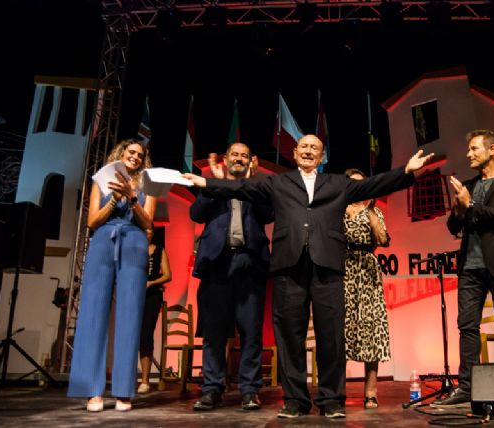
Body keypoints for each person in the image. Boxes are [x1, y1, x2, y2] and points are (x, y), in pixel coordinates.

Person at [183, 134, 433, 419]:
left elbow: (372, 184)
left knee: (331, 337)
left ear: (322, 156)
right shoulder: (279, 182)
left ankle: (331, 400)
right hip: (289, 265)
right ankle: (294, 401)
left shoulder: (338, 183)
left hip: (327, 264)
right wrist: (206, 183)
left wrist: (406, 172)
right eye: (304, 147)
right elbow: (241, 186)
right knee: (290, 335)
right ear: (294, 152)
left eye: (315, 148)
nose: (309, 151)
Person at [432, 130, 494, 408]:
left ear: (492, 150)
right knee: (467, 326)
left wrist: (470, 205)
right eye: (469, 149)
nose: (469, 154)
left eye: (474, 149)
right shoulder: (469, 185)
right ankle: (467, 387)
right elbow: (453, 227)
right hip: (470, 267)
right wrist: (460, 210)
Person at [67, 138, 156, 412]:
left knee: (130, 316)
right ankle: (93, 390)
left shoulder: (147, 184)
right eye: (131, 152)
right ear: (120, 154)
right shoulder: (100, 180)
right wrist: (113, 201)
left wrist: (130, 197)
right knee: (93, 312)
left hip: (134, 243)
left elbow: (148, 222)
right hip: (104, 240)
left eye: (140, 155)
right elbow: (92, 221)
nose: (135, 157)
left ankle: (123, 391)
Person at [190, 143, 274, 412]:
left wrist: (250, 184)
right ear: (226, 159)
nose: (239, 159)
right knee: (213, 332)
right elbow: (197, 213)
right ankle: (212, 389)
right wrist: (215, 184)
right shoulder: (212, 184)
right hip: (217, 264)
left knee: (251, 331)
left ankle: (249, 390)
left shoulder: (257, 187)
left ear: (251, 161)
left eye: (244, 156)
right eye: (234, 155)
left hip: (249, 263)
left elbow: (269, 214)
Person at [343, 168, 392, 409]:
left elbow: (382, 240)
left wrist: (370, 210)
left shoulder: (375, 211)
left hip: (367, 271)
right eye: (353, 184)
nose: (358, 189)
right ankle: (336, 392)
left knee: (372, 331)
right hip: (342, 272)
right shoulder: (336, 210)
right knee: (339, 332)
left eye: (362, 185)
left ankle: (370, 392)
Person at [137, 227, 172, 394]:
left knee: (146, 333)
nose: (148, 233)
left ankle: (145, 380)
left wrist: (151, 283)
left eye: (150, 230)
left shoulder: (159, 250)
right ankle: (127, 376)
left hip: (152, 295)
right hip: (134, 294)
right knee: (131, 334)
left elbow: (168, 275)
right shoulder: (134, 248)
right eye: (145, 230)